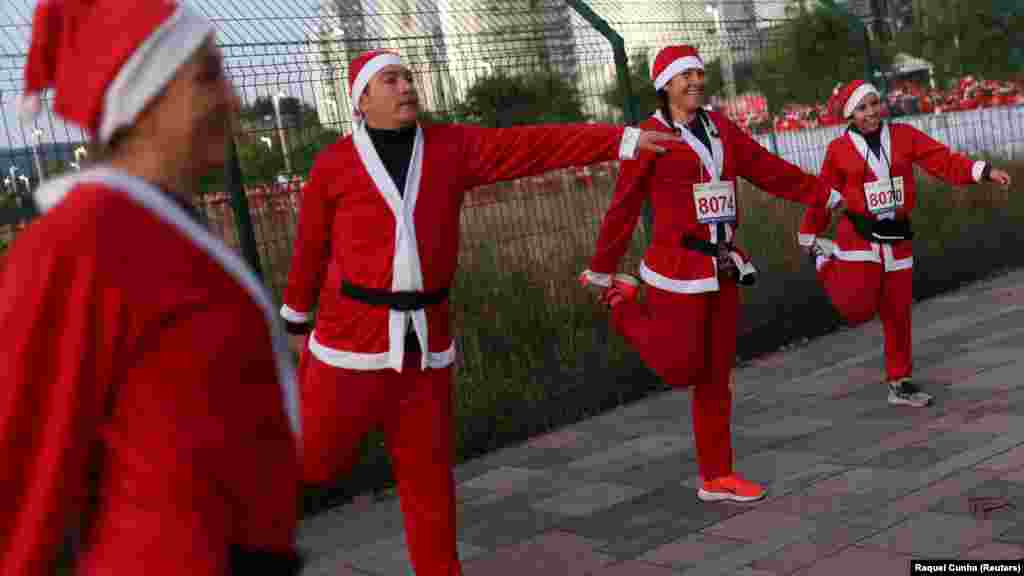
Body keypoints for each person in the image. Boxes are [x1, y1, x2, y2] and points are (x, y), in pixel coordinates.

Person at [280, 49, 677, 576]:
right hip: (349, 343)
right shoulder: (333, 164)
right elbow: (310, 247)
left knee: (428, 479)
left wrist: (621, 140)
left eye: (408, 77)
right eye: (392, 80)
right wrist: (294, 322)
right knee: (313, 461)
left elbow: (533, 146)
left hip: (426, 346)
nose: (406, 88)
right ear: (362, 99)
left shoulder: (452, 147)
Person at [0, 1, 303, 575]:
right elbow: (18, 474)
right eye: (208, 78)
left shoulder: (161, 224)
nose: (234, 101)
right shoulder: (80, 244)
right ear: (145, 99)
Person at [578, 45, 844, 503]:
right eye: (685, 76)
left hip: (723, 266)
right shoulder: (648, 136)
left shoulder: (721, 128)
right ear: (664, 85)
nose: (697, 81)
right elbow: (623, 207)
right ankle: (623, 305)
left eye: (700, 73)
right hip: (673, 270)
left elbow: (766, 169)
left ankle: (717, 476)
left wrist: (821, 194)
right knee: (681, 368)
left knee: (715, 377)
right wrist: (603, 269)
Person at [798, 79, 1012, 407]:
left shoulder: (903, 136)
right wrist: (809, 232)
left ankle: (900, 382)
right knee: (856, 307)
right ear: (849, 115)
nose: (871, 112)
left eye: (873, 104)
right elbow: (824, 195)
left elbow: (942, 160)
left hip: (897, 238)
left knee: (897, 312)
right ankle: (824, 260)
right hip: (857, 237)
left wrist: (983, 171)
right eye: (862, 108)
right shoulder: (838, 151)